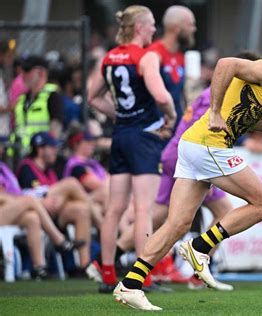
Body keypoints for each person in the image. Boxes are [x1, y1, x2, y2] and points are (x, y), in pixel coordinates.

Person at [113, 25, 262, 311]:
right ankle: (200, 248)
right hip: (208, 146)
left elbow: (241, 118)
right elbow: (225, 64)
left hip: (193, 145)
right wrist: (213, 111)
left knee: (177, 224)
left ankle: (130, 285)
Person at [87, 5, 176, 293]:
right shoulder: (146, 56)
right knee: (143, 209)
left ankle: (108, 274)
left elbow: (93, 98)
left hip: (121, 135)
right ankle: (142, 279)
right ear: (139, 27)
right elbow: (161, 95)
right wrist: (171, 116)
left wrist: (118, 116)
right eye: (151, 25)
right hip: (145, 136)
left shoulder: (109, 57)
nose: (154, 30)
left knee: (114, 209)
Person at [16, 132, 93, 271]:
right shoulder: (26, 167)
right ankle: (103, 220)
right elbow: (23, 195)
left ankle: (84, 266)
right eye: (52, 147)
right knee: (71, 183)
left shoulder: (50, 170)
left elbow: (55, 200)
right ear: (40, 149)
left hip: (54, 214)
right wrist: (43, 198)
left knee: (81, 210)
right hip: (34, 212)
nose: (55, 151)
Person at [147, 5, 196, 127]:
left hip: (177, 125)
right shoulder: (153, 54)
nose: (194, 29)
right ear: (177, 28)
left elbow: (183, 96)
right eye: (190, 25)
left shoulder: (181, 56)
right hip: (156, 126)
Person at [13, 56, 65, 155]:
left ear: (41, 73)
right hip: (20, 154)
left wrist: (48, 151)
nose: (23, 75)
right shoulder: (22, 99)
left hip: (40, 156)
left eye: (27, 71)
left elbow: (56, 128)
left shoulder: (52, 96)